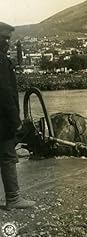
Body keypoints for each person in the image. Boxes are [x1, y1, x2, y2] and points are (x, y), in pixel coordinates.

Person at [0, 21, 35, 209]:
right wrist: (16, 121)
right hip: (2, 121)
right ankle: (13, 199)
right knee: (7, 156)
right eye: (4, 39)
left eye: (8, 39)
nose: (7, 43)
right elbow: (5, 94)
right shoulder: (2, 61)